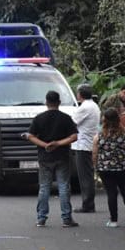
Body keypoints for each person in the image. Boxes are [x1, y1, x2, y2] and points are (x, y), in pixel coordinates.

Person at [28, 91, 79, 228]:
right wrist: (58, 143)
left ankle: (41, 218)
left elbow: (31, 136)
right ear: (59, 102)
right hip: (62, 156)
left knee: (44, 187)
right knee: (63, 187)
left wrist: (45, 145)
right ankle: (66, 218)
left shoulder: (39, 118)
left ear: (46, 102)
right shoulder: (66, 118)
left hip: (45, 157)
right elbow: (74, 136)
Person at [92, 108, 125, 228]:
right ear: (118, 119)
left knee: (111, 193)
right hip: (124, 168)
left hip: (105, 169)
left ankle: (113, 220)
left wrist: (95, 166)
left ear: (104, 120)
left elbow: (95, 152)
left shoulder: (99, 135)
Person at [72, 84, 101, 213]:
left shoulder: (84, 107)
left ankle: (87, 204)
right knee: (88, 174)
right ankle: (88, 202)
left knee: (85, 176)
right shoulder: (94, 106)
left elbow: (72, 122)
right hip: (90, 143)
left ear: (80, 94)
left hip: (83, 144)